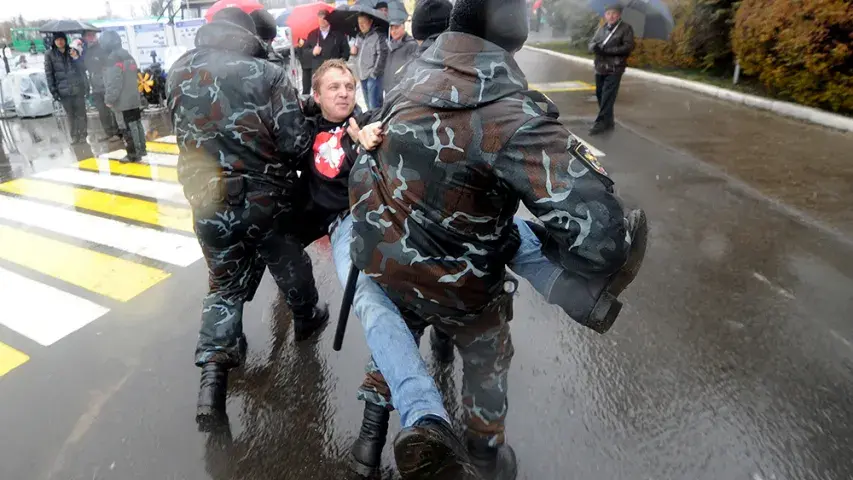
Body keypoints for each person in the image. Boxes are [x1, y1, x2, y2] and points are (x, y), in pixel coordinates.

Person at [347, 0, 648, 478]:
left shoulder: (406, 77)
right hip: (463, 283)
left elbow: (371, 145)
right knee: (487, 351)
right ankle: (485, 455)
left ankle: (368, 445)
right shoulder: (513, 114)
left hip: (391, 257)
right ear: (517, 37)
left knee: (395, 331)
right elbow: (603, 238)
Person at [166, 8, 328, 431]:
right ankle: (307, 316)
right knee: (287, 257)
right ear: (247, 35)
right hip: (264, 202)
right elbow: (294, 144)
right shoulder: (267, 74)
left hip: (207, 203)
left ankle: (212, 385)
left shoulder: (178, 70)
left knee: (223, 286)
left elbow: (182, 133)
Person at [588, 4, 635, 135]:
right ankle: (608, 121)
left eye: (614, 13)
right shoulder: (602, 28)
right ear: (605, 15)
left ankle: (600, 123)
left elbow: (628, 47)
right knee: (600, 94)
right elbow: (592, 42)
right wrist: (594, 48)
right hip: (600, 67)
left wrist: (608, 51)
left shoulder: (625, 28)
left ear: (619, 15)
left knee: (608, 96)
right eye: (608, 13)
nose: (611, 16)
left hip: (614, 68)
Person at [101, 30, 147, 163]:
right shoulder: (128, 56)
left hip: (122, 101)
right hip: (133, 98)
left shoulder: (112, 59)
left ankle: (133, 154)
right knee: (136, 124)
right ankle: (141, 149)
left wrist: (109, 99)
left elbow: (114, 82)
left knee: (126, 127)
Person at [45, 32, 89, 144]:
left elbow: (83, 68)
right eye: (57, 39)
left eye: (62, 39)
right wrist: (53, 91)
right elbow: (49, 74)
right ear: (54, 41)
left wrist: (76, 58)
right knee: (70, 115)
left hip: (77, 88)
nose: (60, 41)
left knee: (81, 114)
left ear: (65, 40)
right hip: (63, 91)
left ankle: (83, 135)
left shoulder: (72, 51)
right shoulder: (50, 54)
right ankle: (74, 136)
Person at [298, 10, 350, 95]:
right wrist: (312, 52)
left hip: (334, 72)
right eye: (320, 18)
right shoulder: (312, 34)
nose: (322, 21)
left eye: (324, 18)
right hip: (318, 72)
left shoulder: (338, 34)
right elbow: (304, 52)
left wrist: (339, 63)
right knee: (320, 96)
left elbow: (346, 52)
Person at [82, 31, 121, 142]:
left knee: (111, 110)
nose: (91, 38)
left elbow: (109, 63)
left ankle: (117, 133)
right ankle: (108, 132)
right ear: (84, 37)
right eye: (88, 36)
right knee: (102, 112)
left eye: (92, 35)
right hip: (95, 86)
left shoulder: (103, 48)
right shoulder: (85, 51)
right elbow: (85, 67)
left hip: (105, 84)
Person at [353, 13, 388, 110]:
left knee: (374, 106)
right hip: (362, 76)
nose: (361, 25)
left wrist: (374, 73)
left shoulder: (378, 35)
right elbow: (357, 56)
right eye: (359, 23)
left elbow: (382, 54)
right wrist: (353, 52)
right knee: (368, 106)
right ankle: (371, 122)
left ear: (370, 22)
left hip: (373, 77)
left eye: (364, 22)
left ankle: (377, 123)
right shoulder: (359, 37)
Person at [382, 15, 417, 96]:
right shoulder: (390, 45)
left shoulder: (411, 45)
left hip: (400, 90)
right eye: (392, 28)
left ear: (403, 27)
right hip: (388, 88)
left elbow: (410, 70)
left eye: (396, 28)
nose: (393, 31)